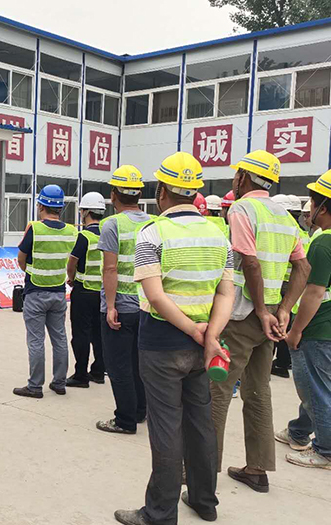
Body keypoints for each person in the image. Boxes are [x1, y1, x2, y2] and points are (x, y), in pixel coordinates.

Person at [114, 152, 234, 525]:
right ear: (195, 192)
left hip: (163, 344)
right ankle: (204, 501)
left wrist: (193, 330)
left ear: (162, 191)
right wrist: (209, 335)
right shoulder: (218, 233)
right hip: (204, 345)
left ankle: (160, 512)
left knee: (166, 426)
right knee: (200, 422)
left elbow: (155, 296)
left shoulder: (153, 233)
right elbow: (226, 292)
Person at [210, 150, 310, 494]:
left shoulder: (242, 209)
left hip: (241, 316)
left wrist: (263, 310)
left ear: (242, 177)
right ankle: (257, 469)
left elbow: (250, 262)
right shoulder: (284, 216)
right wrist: (283, 310)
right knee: (257, 391)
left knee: (217, 392)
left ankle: (201, 475)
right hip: (269, 320)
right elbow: (302, 267)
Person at [277, 170, 331, 470]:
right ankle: (299, 430)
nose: (309, 209)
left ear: (323, 206)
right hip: (326, 326)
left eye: (312, 202)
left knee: (315, 389)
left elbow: (314, 292)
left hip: (317, 327)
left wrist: (296, 330)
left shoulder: (322, 244)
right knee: (320, 385)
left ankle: (325, 450)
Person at [96, 165, 150, 435]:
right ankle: (140, 411)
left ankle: (125, 420)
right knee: (139, 363)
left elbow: (110, 268)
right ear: (139, 194)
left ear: (114, 194)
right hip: (148, 306)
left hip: (122, 306)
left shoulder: (112, 224)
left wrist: (110, 306)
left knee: (119, 366)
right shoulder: (153, 222)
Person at [13, 185, 77, 399]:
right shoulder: (71, 231)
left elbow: (21, 258)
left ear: (40, 205)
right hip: (58, 293)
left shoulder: (35, 228)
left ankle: (35, 386)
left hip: (35, 292)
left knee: (36, 341)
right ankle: (59, 383)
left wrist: (30, 272)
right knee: (60, 339)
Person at [66, 192, 106, 388]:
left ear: (86, 212)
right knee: (99, 335)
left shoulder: (84, 236)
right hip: (103, 293)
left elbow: (72, 262)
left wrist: (72, 278)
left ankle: (80, 375)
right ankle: (98, 372)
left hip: (83, 291)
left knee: (81, 334)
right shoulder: (108, 234)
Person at [272, 195, 311, 379]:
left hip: (281, 285)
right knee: (287, 324)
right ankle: (283, 362)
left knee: (276, 326)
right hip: (298, 285)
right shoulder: (304, 235)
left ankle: (276, 363)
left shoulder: (283, 232)